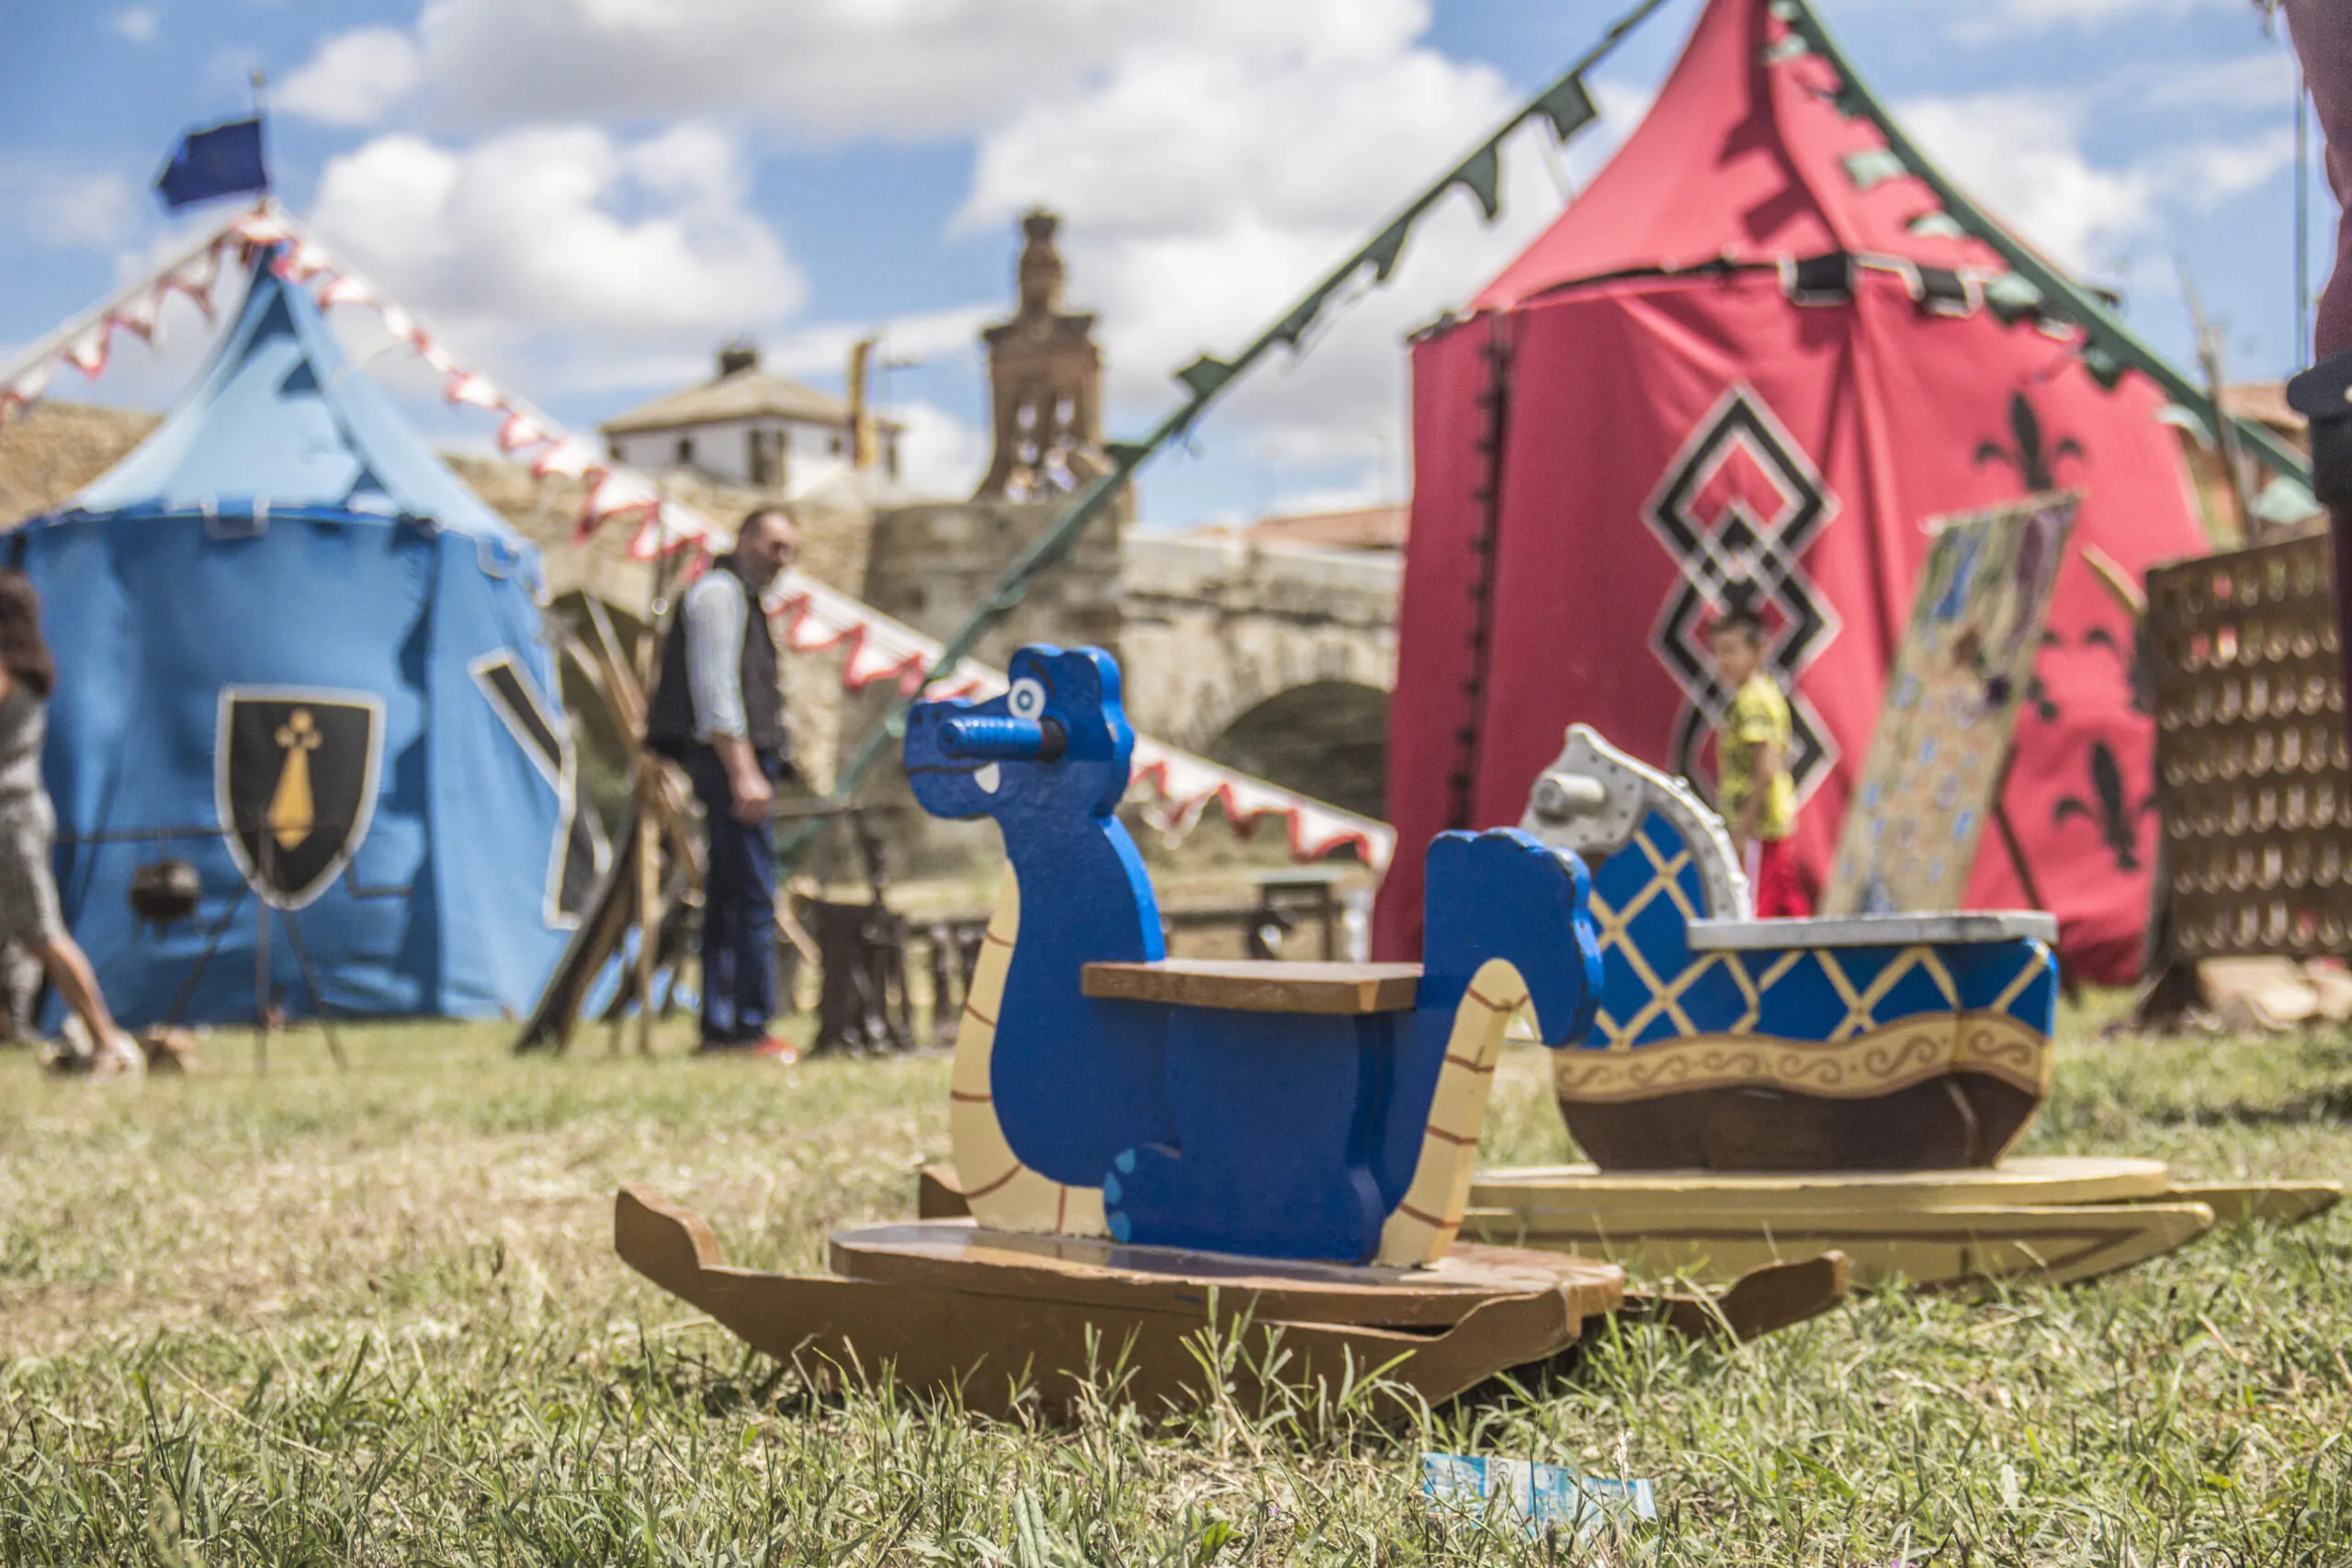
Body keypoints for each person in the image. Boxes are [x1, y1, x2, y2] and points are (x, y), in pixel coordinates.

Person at [646, 508, 798, 1056]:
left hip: (739, 763)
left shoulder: (743, 599)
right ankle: (744, 1026)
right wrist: (744, 771)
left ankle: (725, 1024)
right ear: (746, 539)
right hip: (731, 764)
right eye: (774, 545)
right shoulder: (717, 593)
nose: (781, 560)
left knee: (733, 895)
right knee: (749, 895)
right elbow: (716, 694)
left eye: (789, 550)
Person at [0, 570, 142, 1078]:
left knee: (42, 933)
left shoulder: (9, 673)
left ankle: (108, 1040)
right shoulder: (30, 671)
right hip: (14, 816)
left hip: (11, 819)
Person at [1709, 605, 1811, 919]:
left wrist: (1743, 829)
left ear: (1759, 650)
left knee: (1755, 912)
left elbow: (1765, 769)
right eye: (1718, 652)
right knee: (1785, 904)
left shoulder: (1754, 699)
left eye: (1731, 651)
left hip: (1759, 827)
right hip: (1768, 824)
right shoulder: (1757, 695)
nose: (1723, 661)